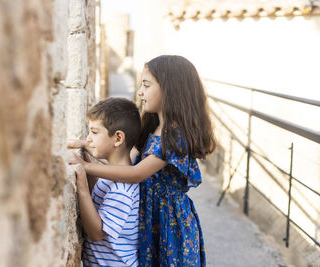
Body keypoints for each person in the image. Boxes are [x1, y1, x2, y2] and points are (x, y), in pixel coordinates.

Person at [68, 55, 216, 266]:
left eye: (146, 85)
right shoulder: (155, 127)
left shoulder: (175, 136)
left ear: (170, 89)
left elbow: (136, 174)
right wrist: (90, 148)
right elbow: (122, 160)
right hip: (151, 214)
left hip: (168, 220)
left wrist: (85, 167)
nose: (140, 92)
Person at [69, 97, 141, 267]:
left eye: (94, 132)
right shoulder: (111, 174)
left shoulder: (122, 190)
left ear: (117, 138)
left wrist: (82, 186)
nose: (88, 139)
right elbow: (99, 202)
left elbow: (96, 233)